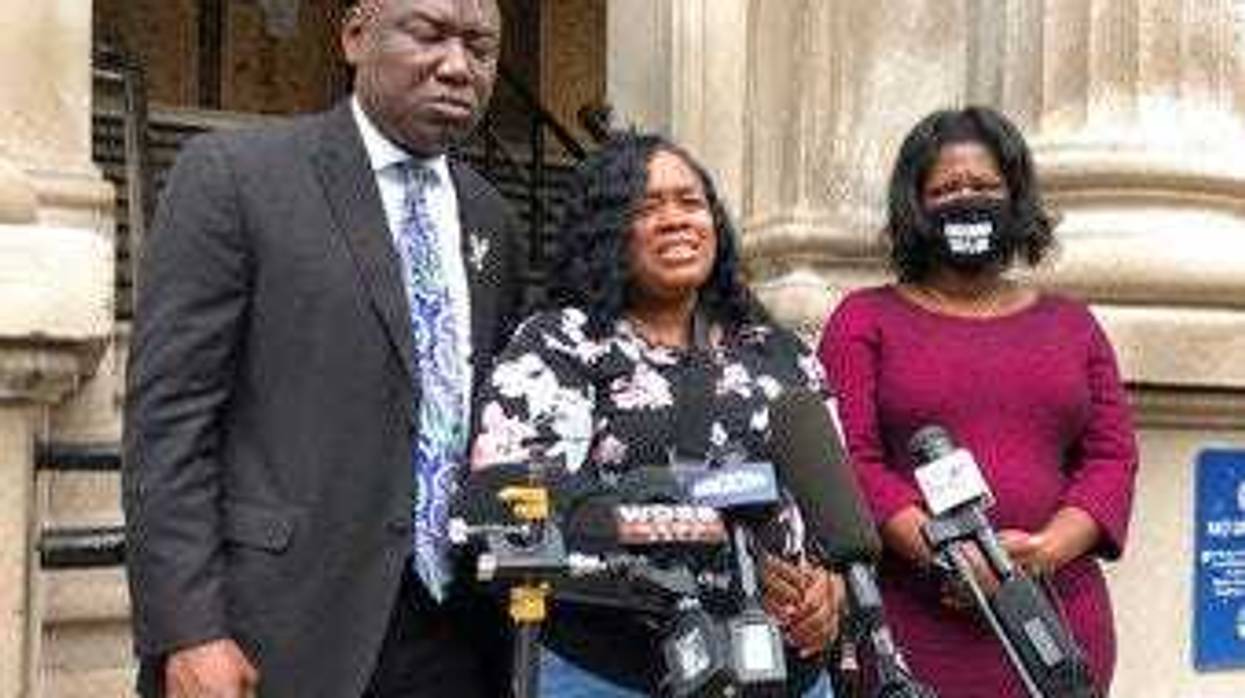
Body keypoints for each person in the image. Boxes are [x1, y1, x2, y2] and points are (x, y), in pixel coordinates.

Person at [122, 1, 522, 696]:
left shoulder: (495, 220)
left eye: (479, 47)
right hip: (278, 630)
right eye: (427, 35)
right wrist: (186, 628)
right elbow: (169, 422)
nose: (456, 66)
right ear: (354, 36)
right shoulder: (235, 176)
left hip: (457, 637)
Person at [471, 132, 844, 697]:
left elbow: (829, 499)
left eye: (691, 203)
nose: (676, 220)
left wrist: (829, 585)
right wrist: (724, 551)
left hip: (787, 674)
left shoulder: (780, 353)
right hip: (616, 671)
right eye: (646, 208)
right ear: (605, 232)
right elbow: (515, 502)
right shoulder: (561, 346)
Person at [817, 106, 1138, 697]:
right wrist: (953, 559)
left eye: (986, 186)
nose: (967, 198)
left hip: (1057, 619)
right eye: (946, 188)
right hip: (914, 625)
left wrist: (1041, 552)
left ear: (1016, 198)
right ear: (915, 206)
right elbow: (850, 460)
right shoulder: (865, 320)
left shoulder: (1073, 325)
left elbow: (1111, 459)